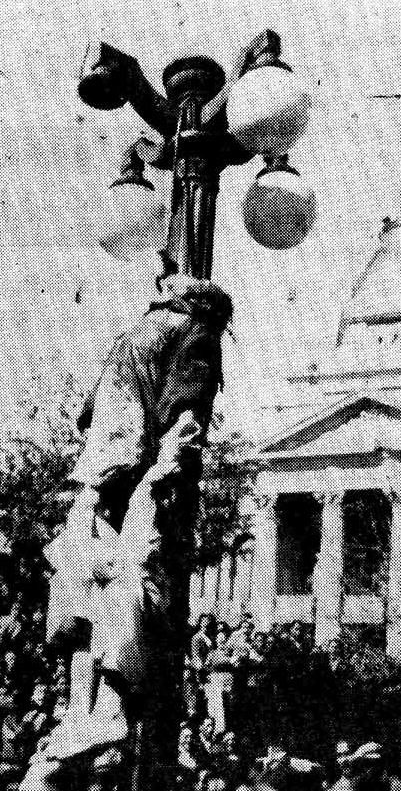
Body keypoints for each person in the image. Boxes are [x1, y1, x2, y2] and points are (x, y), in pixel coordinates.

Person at [19, 274, 233, 789]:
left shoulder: (136, 332)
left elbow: (92, 413)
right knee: (121, 588)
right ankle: (99, 716)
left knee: (88, 592)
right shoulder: (194, 332)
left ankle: (86, 715)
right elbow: (188, 414)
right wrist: (168, 466)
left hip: (102, 475)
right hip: (133, 474)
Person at [204, 631, 237, 735]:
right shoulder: (212, 653)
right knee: (217, 705)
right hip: (215, 682)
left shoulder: (231, 653)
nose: (221, 641)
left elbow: (235, 665)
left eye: (223, 639)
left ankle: (227, 732)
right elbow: (206, 667)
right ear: (216, 641)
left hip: (228, 682)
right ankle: (218, 729)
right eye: (219, 639)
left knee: (228, 707)